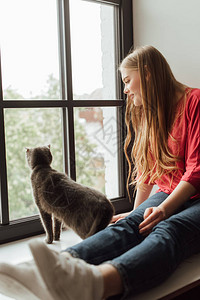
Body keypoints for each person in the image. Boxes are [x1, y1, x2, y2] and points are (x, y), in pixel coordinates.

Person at [0, 45, 200, 300]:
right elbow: (148, 172)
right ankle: (46, 271)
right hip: (172, 191)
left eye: (128, 80)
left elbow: (196, 171)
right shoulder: (152, 114)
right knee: (130, 223)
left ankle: (97, 283)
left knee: (169, 229)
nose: (125, 89)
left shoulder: (195, 101)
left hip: (194, 194)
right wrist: (137, 212)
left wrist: (164, 209)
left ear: (147, 73)